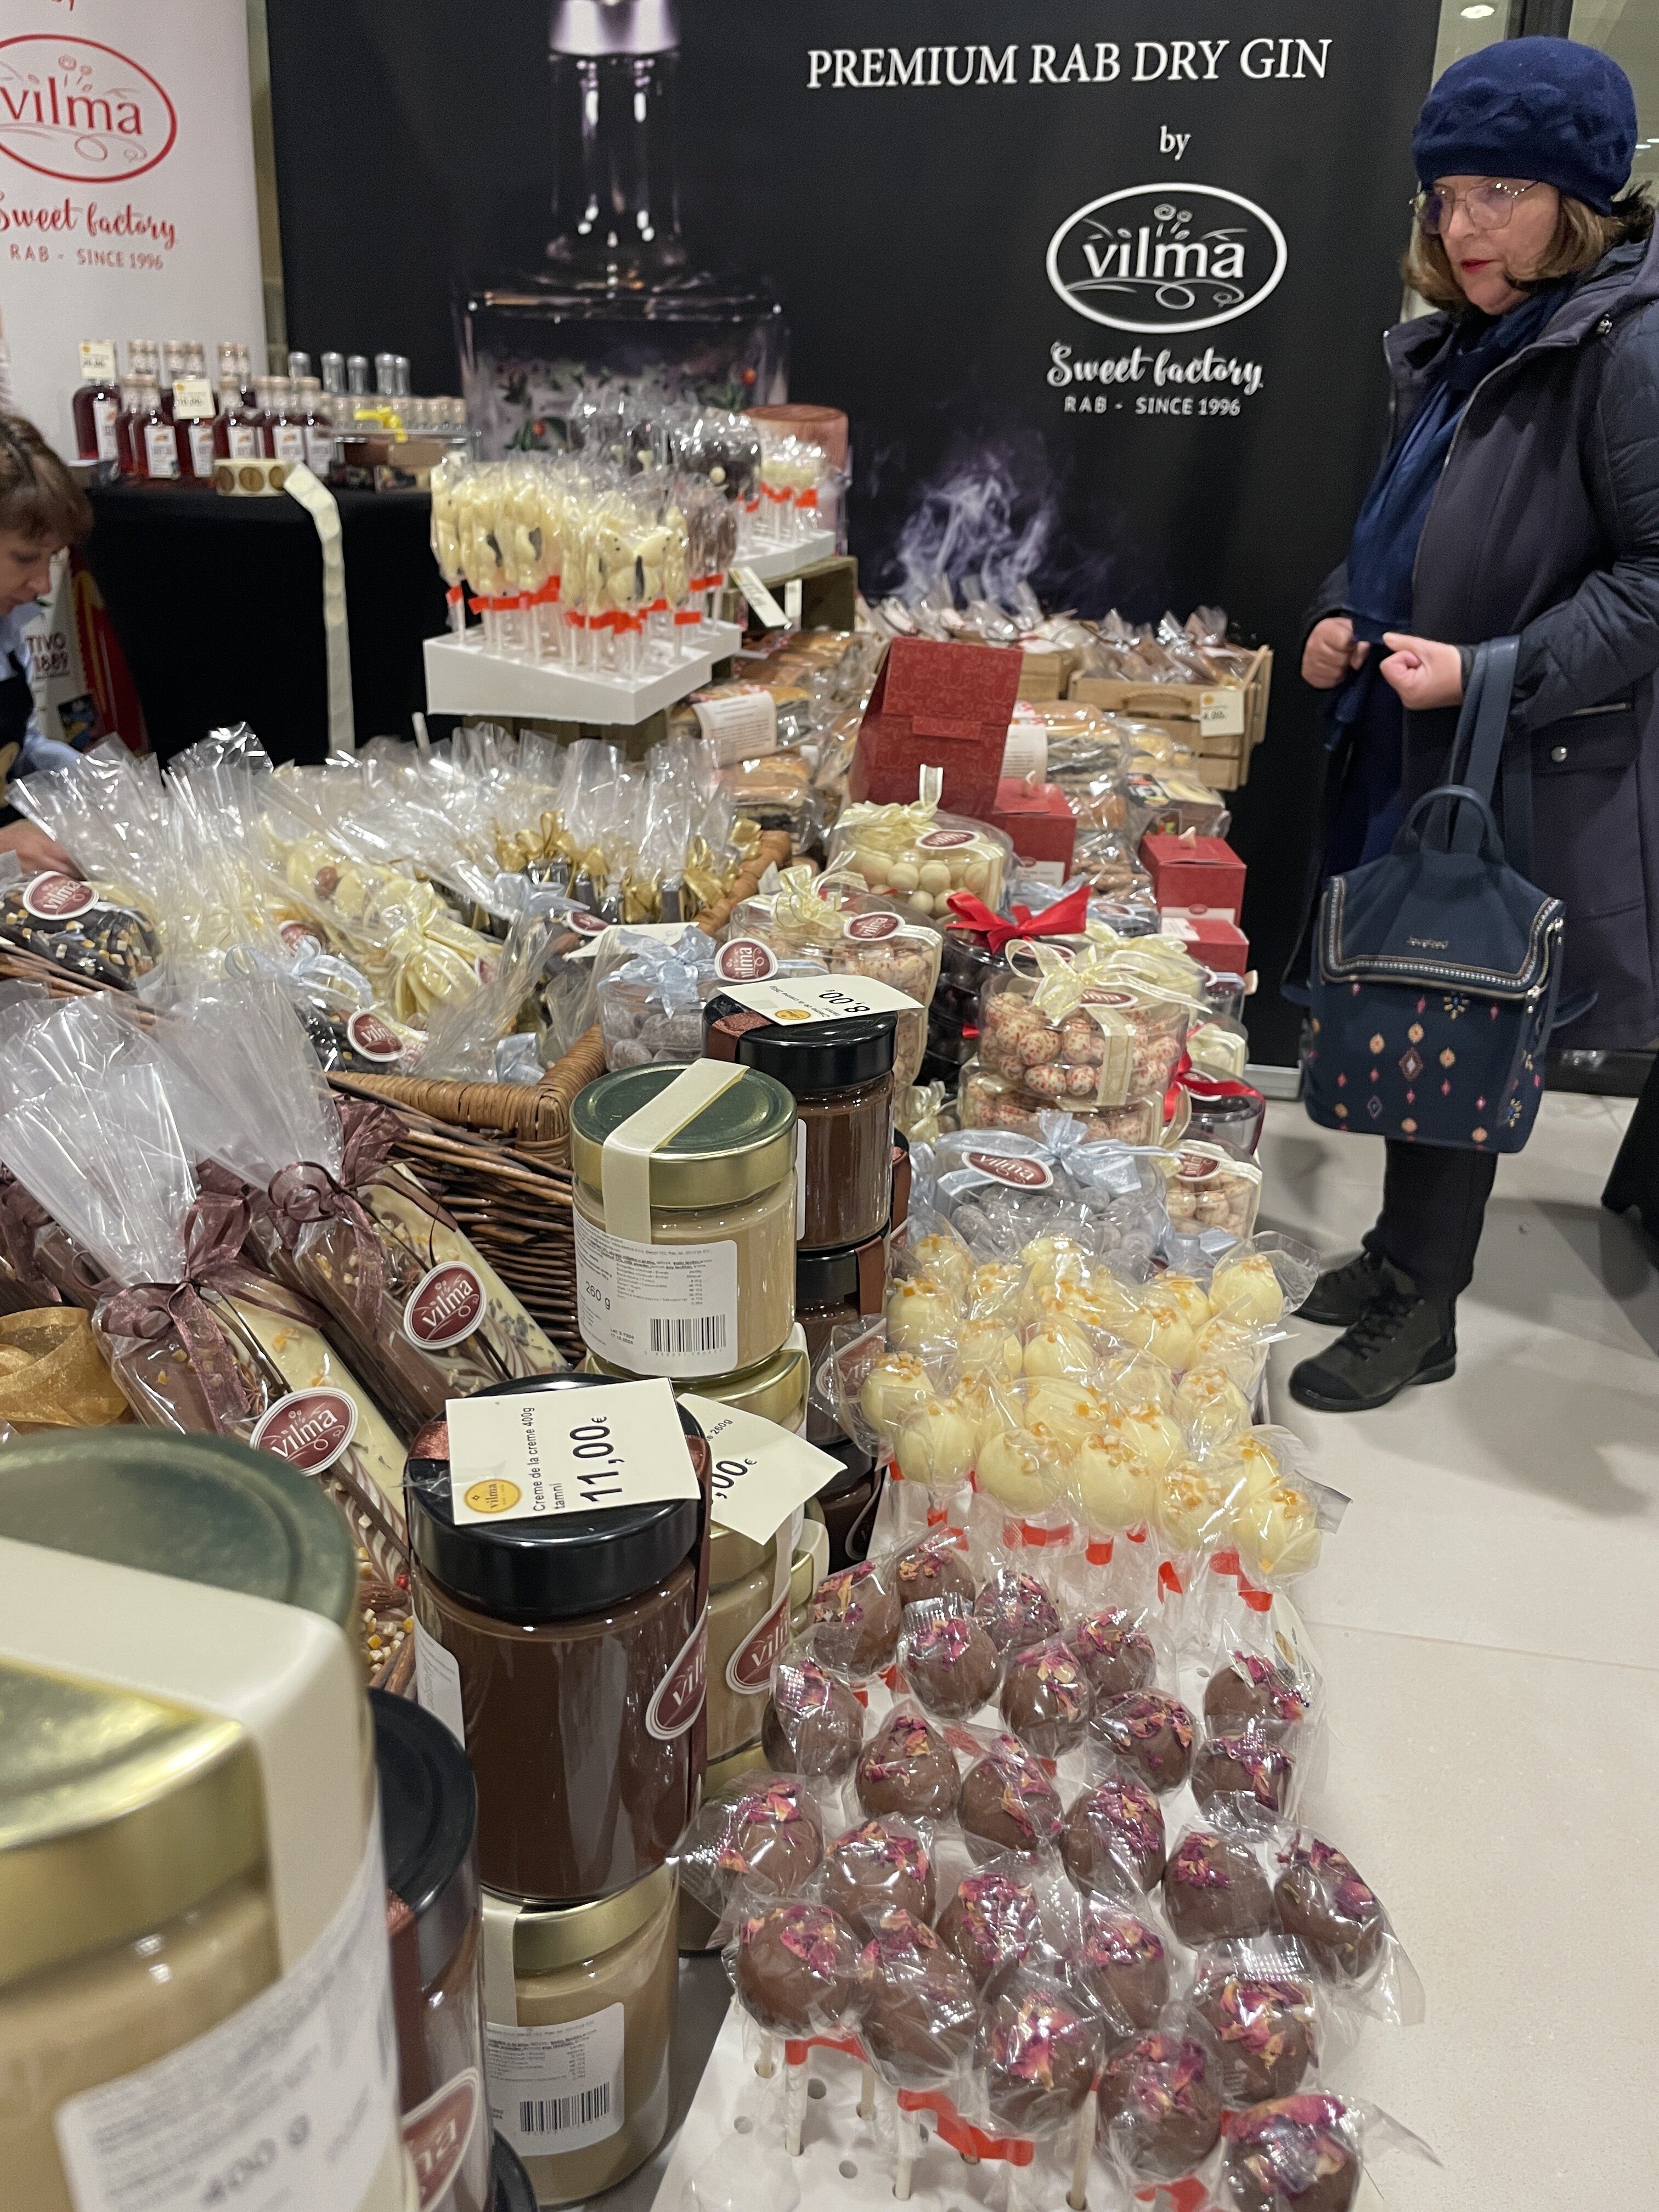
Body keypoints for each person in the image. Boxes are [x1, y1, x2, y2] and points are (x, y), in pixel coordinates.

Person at [1291, 36, 1659, 1412]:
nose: (1462, 226)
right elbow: (1406, 533)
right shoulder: (1468, 341)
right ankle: (1399, 1256)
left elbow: (1654, 580)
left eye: (1500, 192)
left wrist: (1492, 668)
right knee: (1407, 998)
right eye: (1446, 195)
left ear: (1581, 201)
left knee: (1457, 1015)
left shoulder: (1625, 344)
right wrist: (1341, 610)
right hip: (1422, 733)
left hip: (1516, 754)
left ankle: (1424, 1307)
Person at [0, 412, 92, 874]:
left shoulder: (9, 627)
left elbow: (23, 747)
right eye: (24, 558)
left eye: (52, 559)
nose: (42, 584)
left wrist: (99, 782)